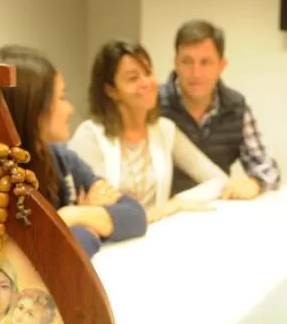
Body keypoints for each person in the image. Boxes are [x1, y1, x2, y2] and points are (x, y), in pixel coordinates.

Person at [0, 45, 147, 257]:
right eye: (61, 98)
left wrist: (73, 215)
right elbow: (36, 261)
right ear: (34, 110)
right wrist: (88, 229)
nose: (70, 109)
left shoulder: (61, 159)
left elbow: (135, 217)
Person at [71, 40, 229, 223]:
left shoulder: (164, 129)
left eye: (148, 72)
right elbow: (92, 209)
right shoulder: (90, 136)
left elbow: (218, 180)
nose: (146, 83)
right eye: (132, 78)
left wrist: (177, 202)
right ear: (111, 91)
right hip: (109, 244)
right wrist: (153, 214)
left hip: (153, 239)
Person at [158, 19, 281, 199]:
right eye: (187, 62)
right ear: (175, 63)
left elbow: (267, 168)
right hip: (165, 212)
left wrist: (254, 183)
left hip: (217, 209)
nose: (196, 73)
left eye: (205, 62)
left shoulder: (236, 107)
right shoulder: (152, 106)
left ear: (221, 66)